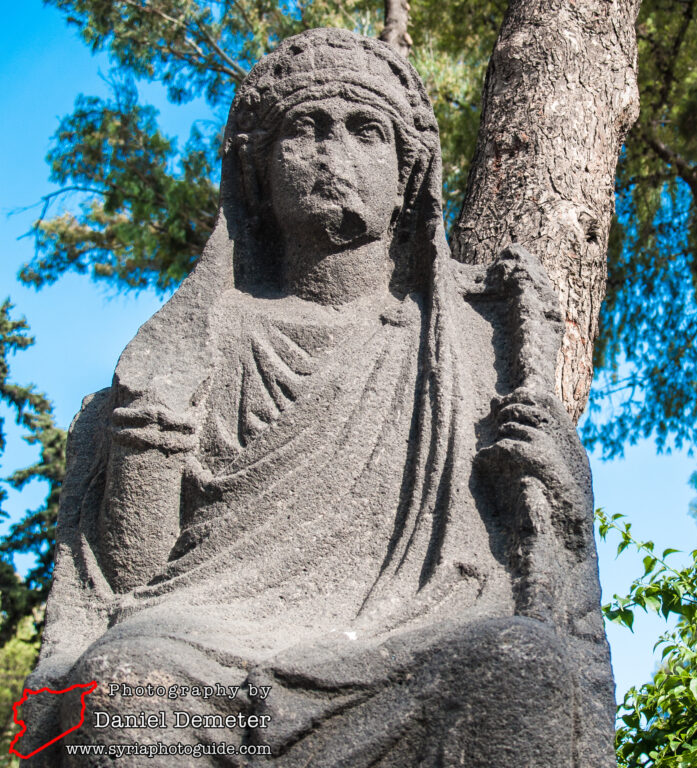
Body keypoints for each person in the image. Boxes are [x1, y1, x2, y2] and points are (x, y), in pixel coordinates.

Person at [20, 28, 614, 767]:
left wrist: (560, 484)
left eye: (366, 131)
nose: (334, 158)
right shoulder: (200, 337)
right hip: (204, 654)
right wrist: (146, 444)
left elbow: (542, 556)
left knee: (519, 665)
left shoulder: (464, 341)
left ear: (406, 175)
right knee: (116, 691)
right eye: (305, 129)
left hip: (409, 644)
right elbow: (126, 583)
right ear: (258, 170)